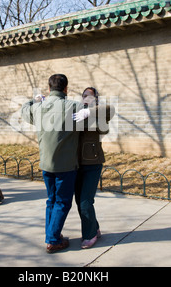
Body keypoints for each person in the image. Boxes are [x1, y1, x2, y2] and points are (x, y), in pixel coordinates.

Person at [21, 74, 84, 253]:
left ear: (49, 89)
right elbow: (98, 116)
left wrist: (34, 101)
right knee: (62, 202)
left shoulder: (39, 107)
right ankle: (53, 240)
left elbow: (25, 110)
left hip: (46, 164)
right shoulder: (73, 106)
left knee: (51, 201)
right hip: (65, 165)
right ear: (66, 88)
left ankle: (51, 234)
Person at [74, 87, 115, 249]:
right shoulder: (76, 111)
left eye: (90, 96)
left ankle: (89, 235)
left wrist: (89, 112)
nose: (86, 98)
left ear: (96, 99)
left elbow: (110, 109)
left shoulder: (100, 113)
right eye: (84, 96)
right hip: (76, 164)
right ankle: (94, 227)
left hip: (93, 162)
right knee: (79, 201)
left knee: (86, 201)